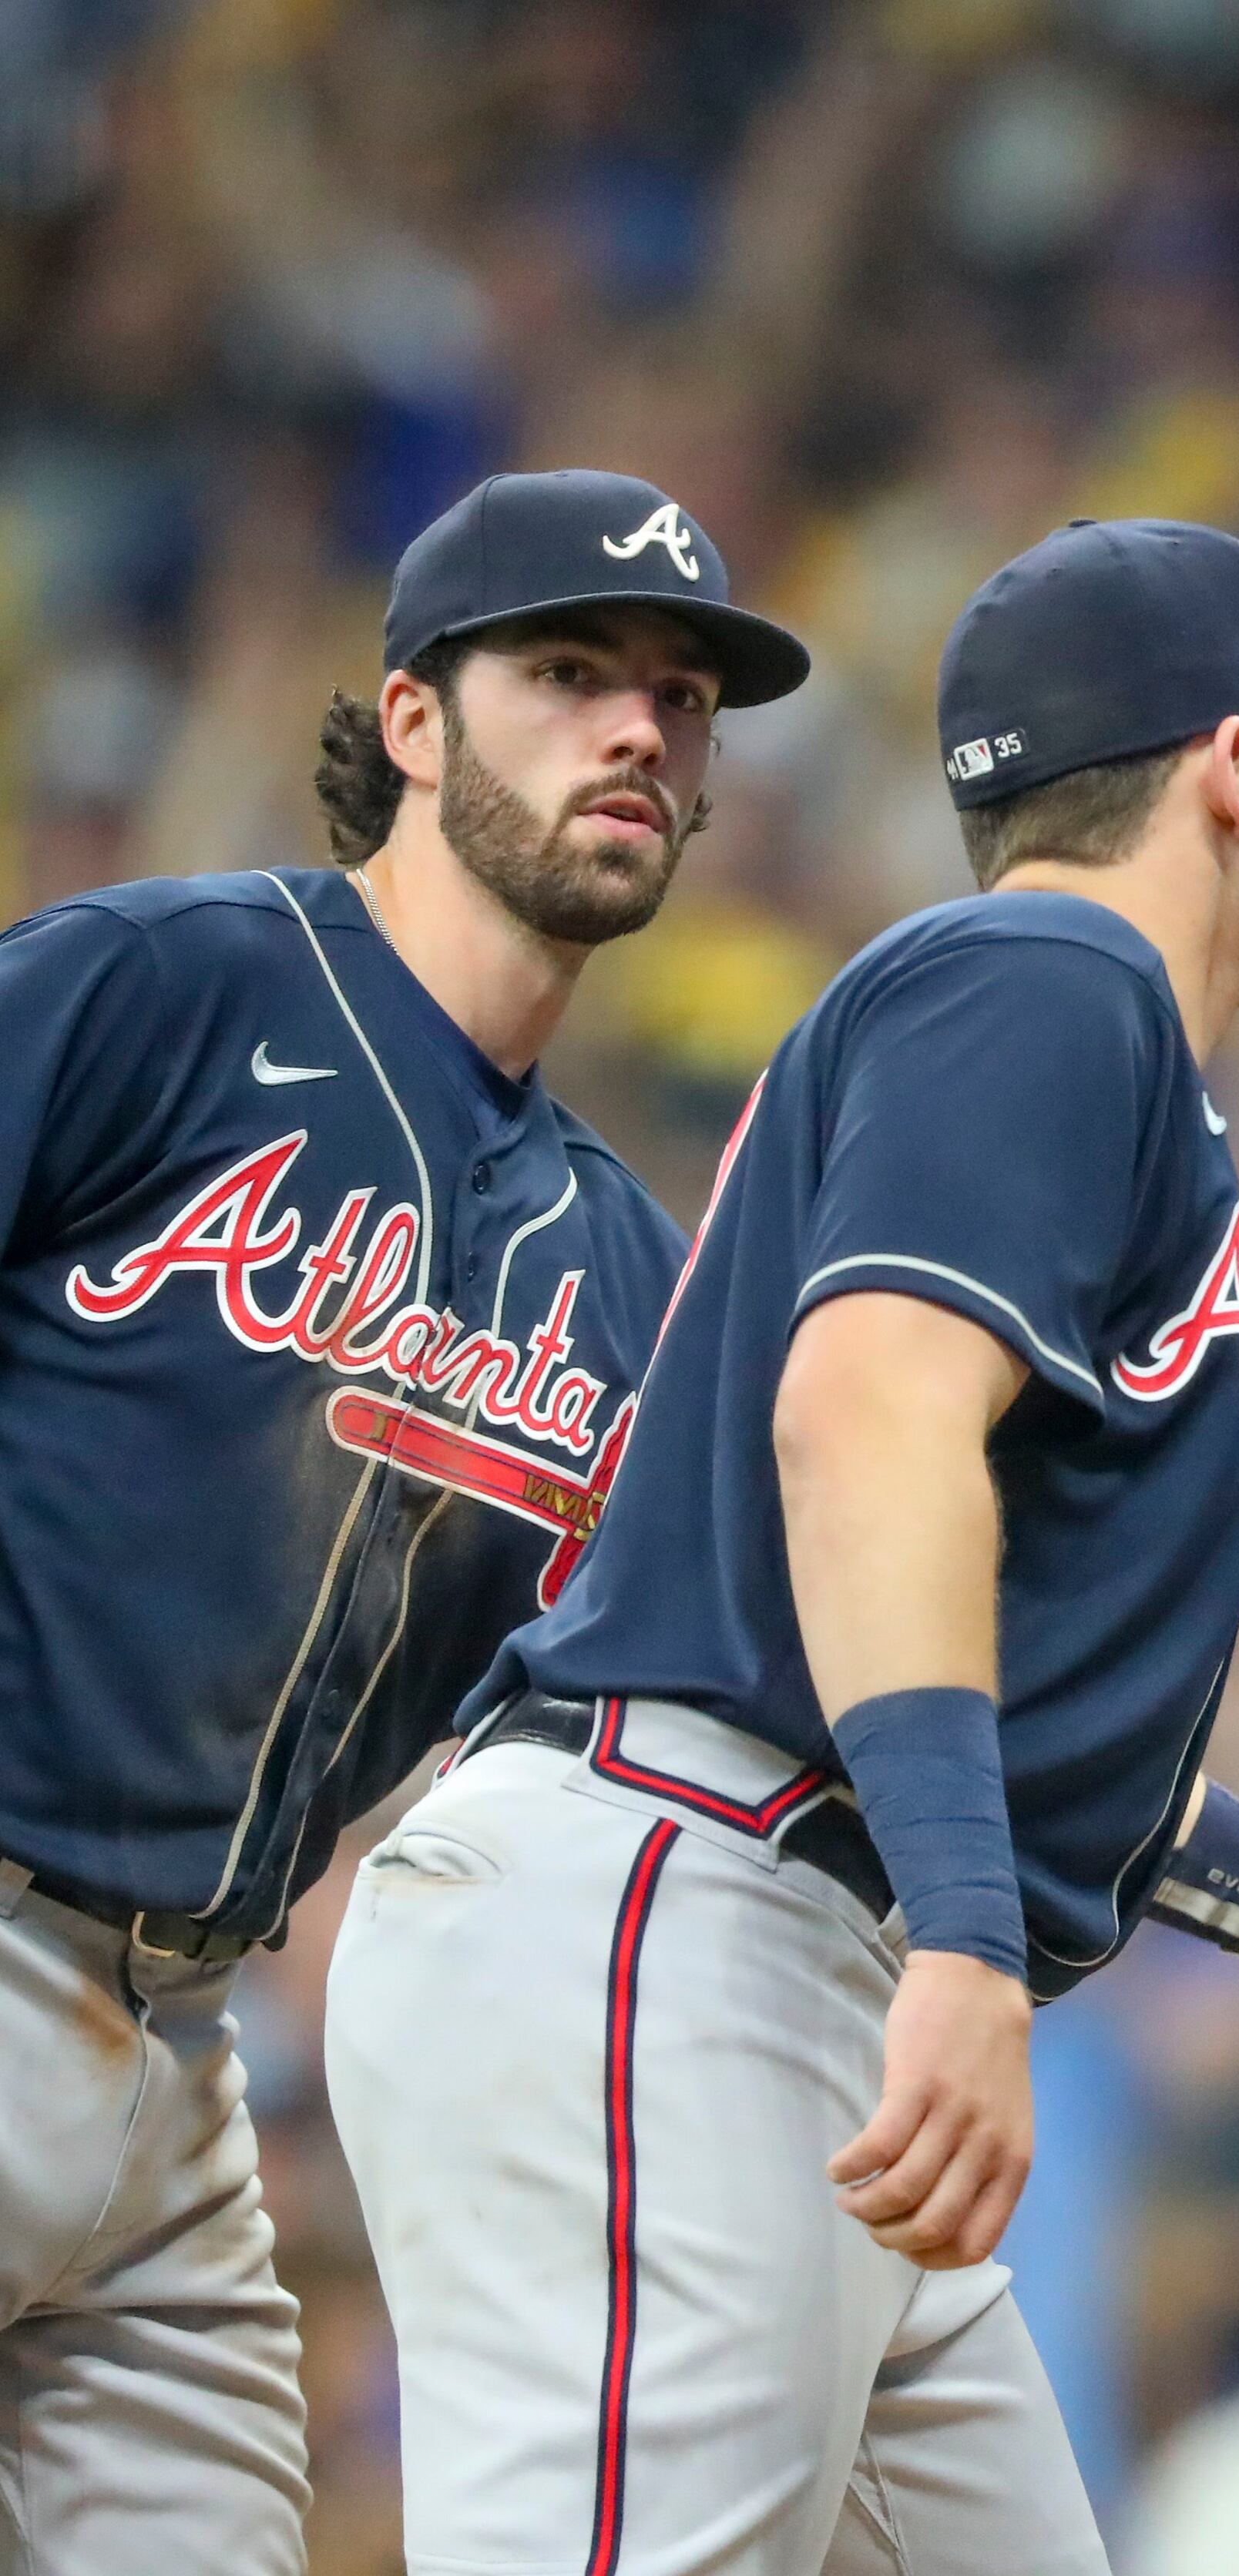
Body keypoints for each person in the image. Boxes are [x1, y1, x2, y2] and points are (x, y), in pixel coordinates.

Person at [324, 520, 1239, 2576]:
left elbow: (980, 1675)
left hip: (788, 1941)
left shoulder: (1058, 1041)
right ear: (1235, 763)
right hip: (687, 1918)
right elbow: (862, 1422)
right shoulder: (1055, 975)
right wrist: (965, 1936)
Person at [0, 468, 801, 2572]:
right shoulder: (160, 988)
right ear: (415, 723)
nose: (640, 729)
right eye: (568, 675)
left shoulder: (625, 1275)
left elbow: (827, 1683)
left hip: (183, 2073)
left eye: (681, 698)